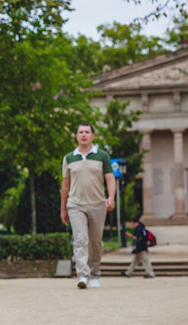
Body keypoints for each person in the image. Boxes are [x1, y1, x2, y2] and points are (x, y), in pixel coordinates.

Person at [60, 123, 116, 289]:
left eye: (87, 132)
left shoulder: (102, 156)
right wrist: (63, 208)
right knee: (80, 240)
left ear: (92, 136)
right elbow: (65, 185)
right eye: (80, 132)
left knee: (96, 242)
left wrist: (111, 197)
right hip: (75, 204)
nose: (84, 134)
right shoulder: (69, 158)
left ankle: (95, 273)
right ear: (76, 136)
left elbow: (110, 179)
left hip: (98, 205)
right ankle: (83, 276)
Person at [123, 213, 155, 278]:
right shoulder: (141, 228)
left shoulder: (138, 229)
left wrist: (130, 235)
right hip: (140, 247)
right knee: (135, 261)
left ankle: (151, 274)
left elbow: (138, 239)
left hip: (141, 247)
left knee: (145, 260)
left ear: (136, 223)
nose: (132, 225)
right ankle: (128, 272)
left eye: (132, 223)